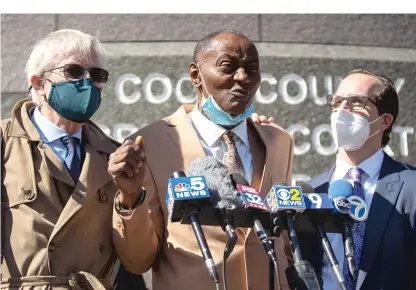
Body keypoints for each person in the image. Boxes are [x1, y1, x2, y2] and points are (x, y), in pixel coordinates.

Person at [108, 29, 295, 290]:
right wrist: (129, 199)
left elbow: (285, 242)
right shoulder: (150, 144)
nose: (242, 78)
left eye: (251, 69)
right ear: (196, 75)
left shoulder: (279, 141)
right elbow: (139, 261)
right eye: (228, 67)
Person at [0, 29, 145, 289]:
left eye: (97, 75)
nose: (88, 82)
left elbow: (136, 261)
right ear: (39, 83)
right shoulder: (5, 141)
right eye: (74, 72)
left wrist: (129, 198)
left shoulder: (116, 157)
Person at [299, 69, 416, 290]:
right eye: (337, 101)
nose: (342, 109)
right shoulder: (312, 191)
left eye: (356, 102)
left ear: (385, 121)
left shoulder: (411, 186)